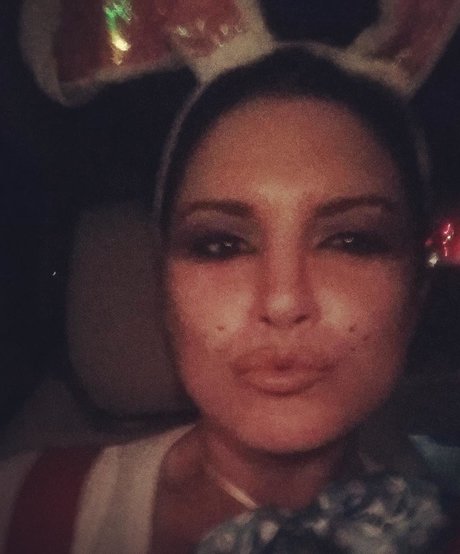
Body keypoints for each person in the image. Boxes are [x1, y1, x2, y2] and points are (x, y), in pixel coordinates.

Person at [1, 46, 458, 553]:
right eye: (220, 245)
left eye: (352, 241)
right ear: (165, 293)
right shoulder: (20, 509)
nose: (283, 301)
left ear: (415, 294)